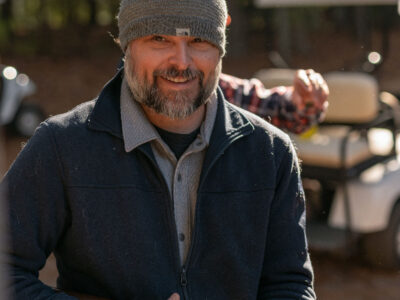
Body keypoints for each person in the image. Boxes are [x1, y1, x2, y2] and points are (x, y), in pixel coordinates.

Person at [1, 0, 327, 299]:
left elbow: (290, 285)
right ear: (127, 45)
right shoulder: (62, 146)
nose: (181, 63)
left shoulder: (270, 153)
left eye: (199, 41)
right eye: (159, 39)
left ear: (220, 49)